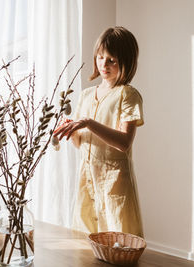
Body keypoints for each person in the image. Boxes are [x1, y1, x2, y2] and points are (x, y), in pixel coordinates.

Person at [54, 26, 144, 237]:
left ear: (126, 62)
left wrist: (87, 122)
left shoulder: (128, 95)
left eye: (111, 60)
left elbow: (124, 143)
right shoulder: (86, 95)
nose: (104, 64)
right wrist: (71, 130)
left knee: (119, 244)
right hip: (88, 180)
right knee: (85, 246)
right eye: (100, 57)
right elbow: (80, 143)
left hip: (115, 183)